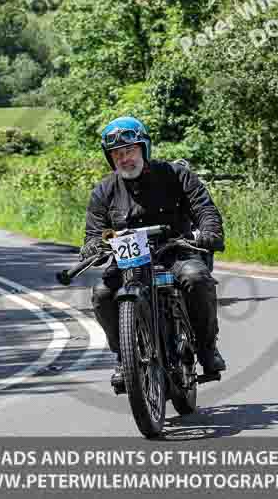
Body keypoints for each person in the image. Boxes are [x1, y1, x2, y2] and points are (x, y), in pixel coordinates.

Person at [80, 116, 226, 392]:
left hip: (174, 252)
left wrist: (207, 234)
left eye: (131, 151)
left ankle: (207, 349)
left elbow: (206, 212)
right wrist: (94, 246)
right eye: (118, 154)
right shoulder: (103, 191)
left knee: (197, 278)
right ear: (111, 159)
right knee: (101, 293)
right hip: (129, 262)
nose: (125, 159)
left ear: (144, 149)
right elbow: (93, 234)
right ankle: (124, 358)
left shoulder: (176, 175)